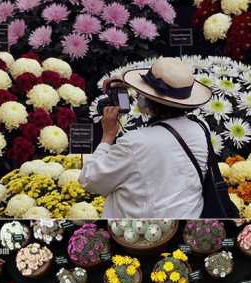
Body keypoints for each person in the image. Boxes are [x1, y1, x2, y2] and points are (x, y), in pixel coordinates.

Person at [80, 57, 213, 217]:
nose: (137, 95)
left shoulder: (135, 142)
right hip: (187, 223)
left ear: (145, 98)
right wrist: (130, 85)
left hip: (142, 232)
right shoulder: (200, 128)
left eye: (140, 92)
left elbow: (90, 180)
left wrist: (107, 136)